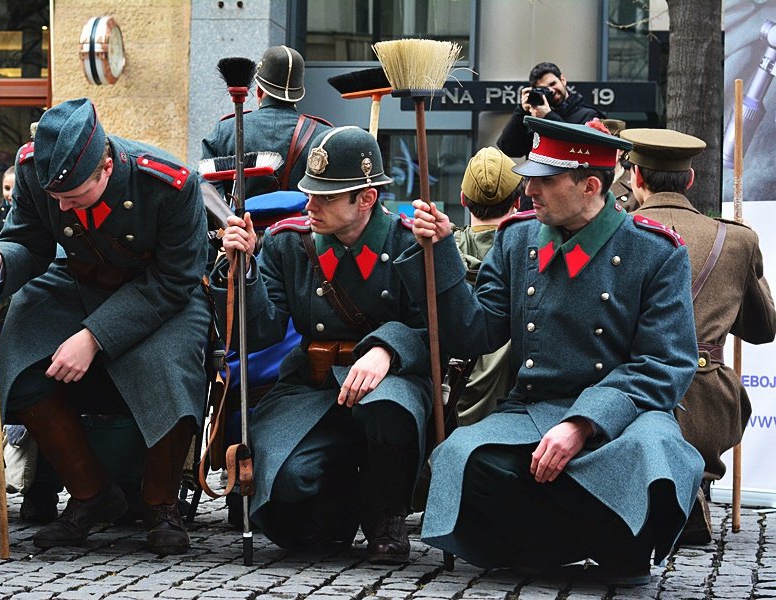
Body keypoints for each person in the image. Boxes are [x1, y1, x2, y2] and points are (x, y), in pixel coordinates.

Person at [397, 116, 704, 585]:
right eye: (529, 178)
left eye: (545, 180)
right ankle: (551, 546)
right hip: (534, 408)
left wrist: (582, 424)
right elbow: (474, 333)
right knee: (463, 457)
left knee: (655, 455)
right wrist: (440, 251)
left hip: (623, 414)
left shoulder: (655, 251)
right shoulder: (517, 238)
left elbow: (665, 363)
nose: (529, 191)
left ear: (591, 185)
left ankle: (616, 548)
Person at [0, 98, 210, 554]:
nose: (65, 208)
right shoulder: (36, 170)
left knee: (171, 367)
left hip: (160, 295)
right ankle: (93, 494)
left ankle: (160, 504)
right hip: (76, 282)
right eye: (58, 200)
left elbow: (176, 280)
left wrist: (94, 337)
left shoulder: (170, 184)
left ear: (107, 168)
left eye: (75, 198)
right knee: (16, 356)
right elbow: (28, 244)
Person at [212, 125, 431, 564]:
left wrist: (386, 348)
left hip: (390, 385)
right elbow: (263, 331)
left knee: (387, 409)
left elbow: (440, 334)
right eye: (310, 193)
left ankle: (386, 514)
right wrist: (244, 270)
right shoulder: (288, 245)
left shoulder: (409, 244)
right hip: (312, 387)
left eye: (326, 197)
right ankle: (345, 497)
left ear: (365, 199)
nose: (310, 205)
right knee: (284, 493)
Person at [622, 127, 776, 544]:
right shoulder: (735, 239)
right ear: (690, 180)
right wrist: (744, 264)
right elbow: (763, 330)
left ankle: (663, 490)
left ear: (636, 177)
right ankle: (693, 483)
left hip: (637, 390)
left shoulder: (619, 231)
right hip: (711, 403)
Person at [201, 45, 332, 198]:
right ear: (298, 94)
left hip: (238, 221)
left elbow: (206, 191)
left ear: (259, 91)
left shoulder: (225, 131)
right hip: (302, 222)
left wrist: (227, 218)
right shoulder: (323, 135)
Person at [452, 147, 521, 426]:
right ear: (518, 202)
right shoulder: (531, 262)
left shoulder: (436, 258)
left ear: (462, 200)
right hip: (512, 417)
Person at [497, 62, 605, 158]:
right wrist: (521, 110)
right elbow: (508, 149)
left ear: (563, 80)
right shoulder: (535, 117)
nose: (551, 91)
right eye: (544, 89)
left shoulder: (589, 115)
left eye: (553, 84)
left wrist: (548, 116)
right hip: (537, 179)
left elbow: (578, 151)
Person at [601, 119, 638, 211]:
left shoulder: (635, 186)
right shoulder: (583, 181)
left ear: (621, 151)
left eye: (609, 148)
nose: (602, 152)